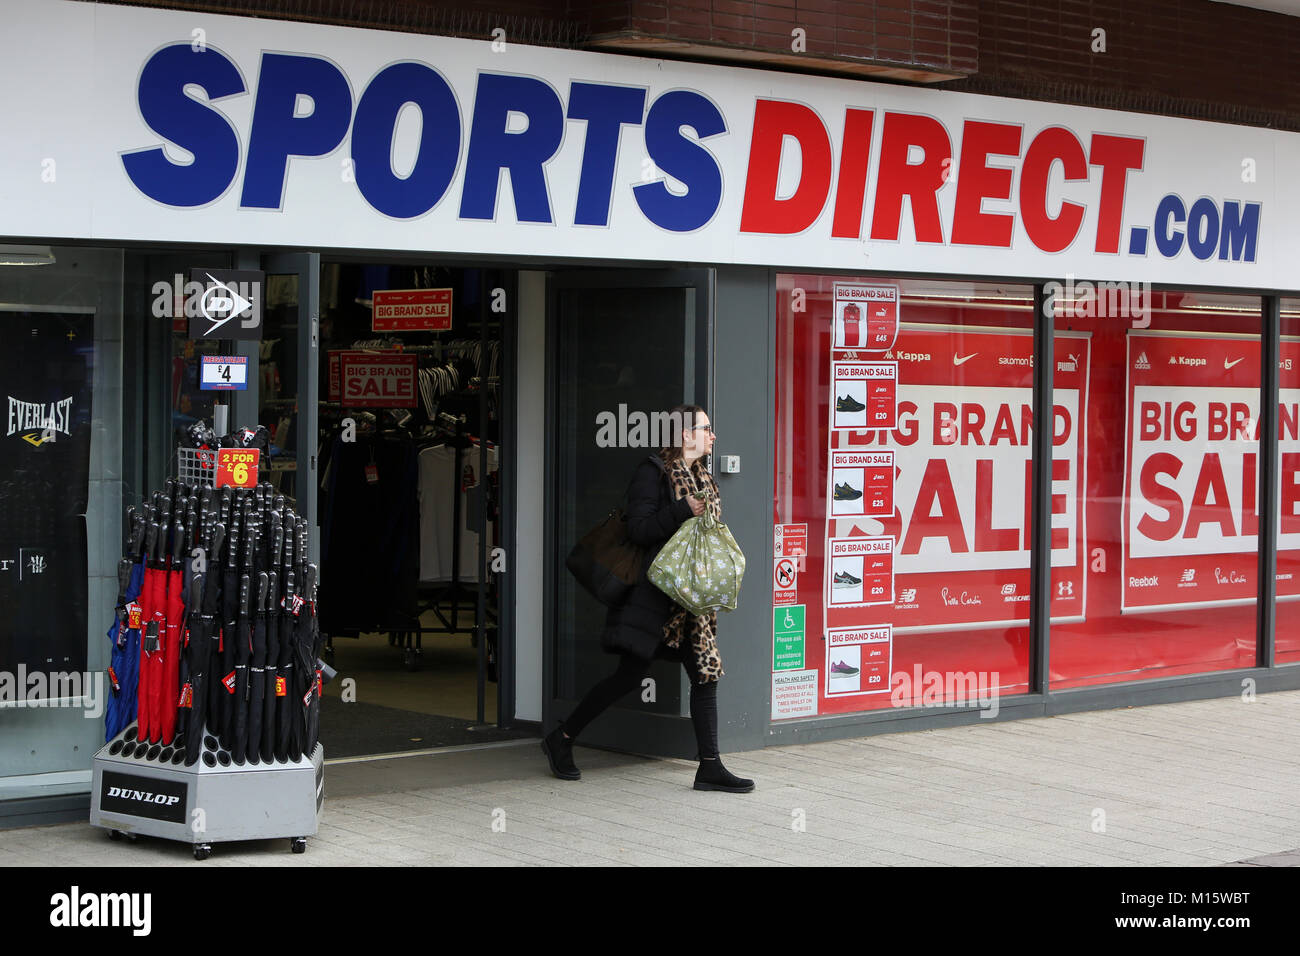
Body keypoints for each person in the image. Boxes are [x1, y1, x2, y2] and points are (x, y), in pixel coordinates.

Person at [542, 405, 754, 793]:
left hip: (692, 602)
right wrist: (681, 509)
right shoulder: (653, 472)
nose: (713, 436)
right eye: (707, 429)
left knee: (705, 675)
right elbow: (638, 531)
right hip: (656, 599)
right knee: (628, 676)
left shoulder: (702, 475)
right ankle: (563, 737)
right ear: (686, 434)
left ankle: (709, 766)